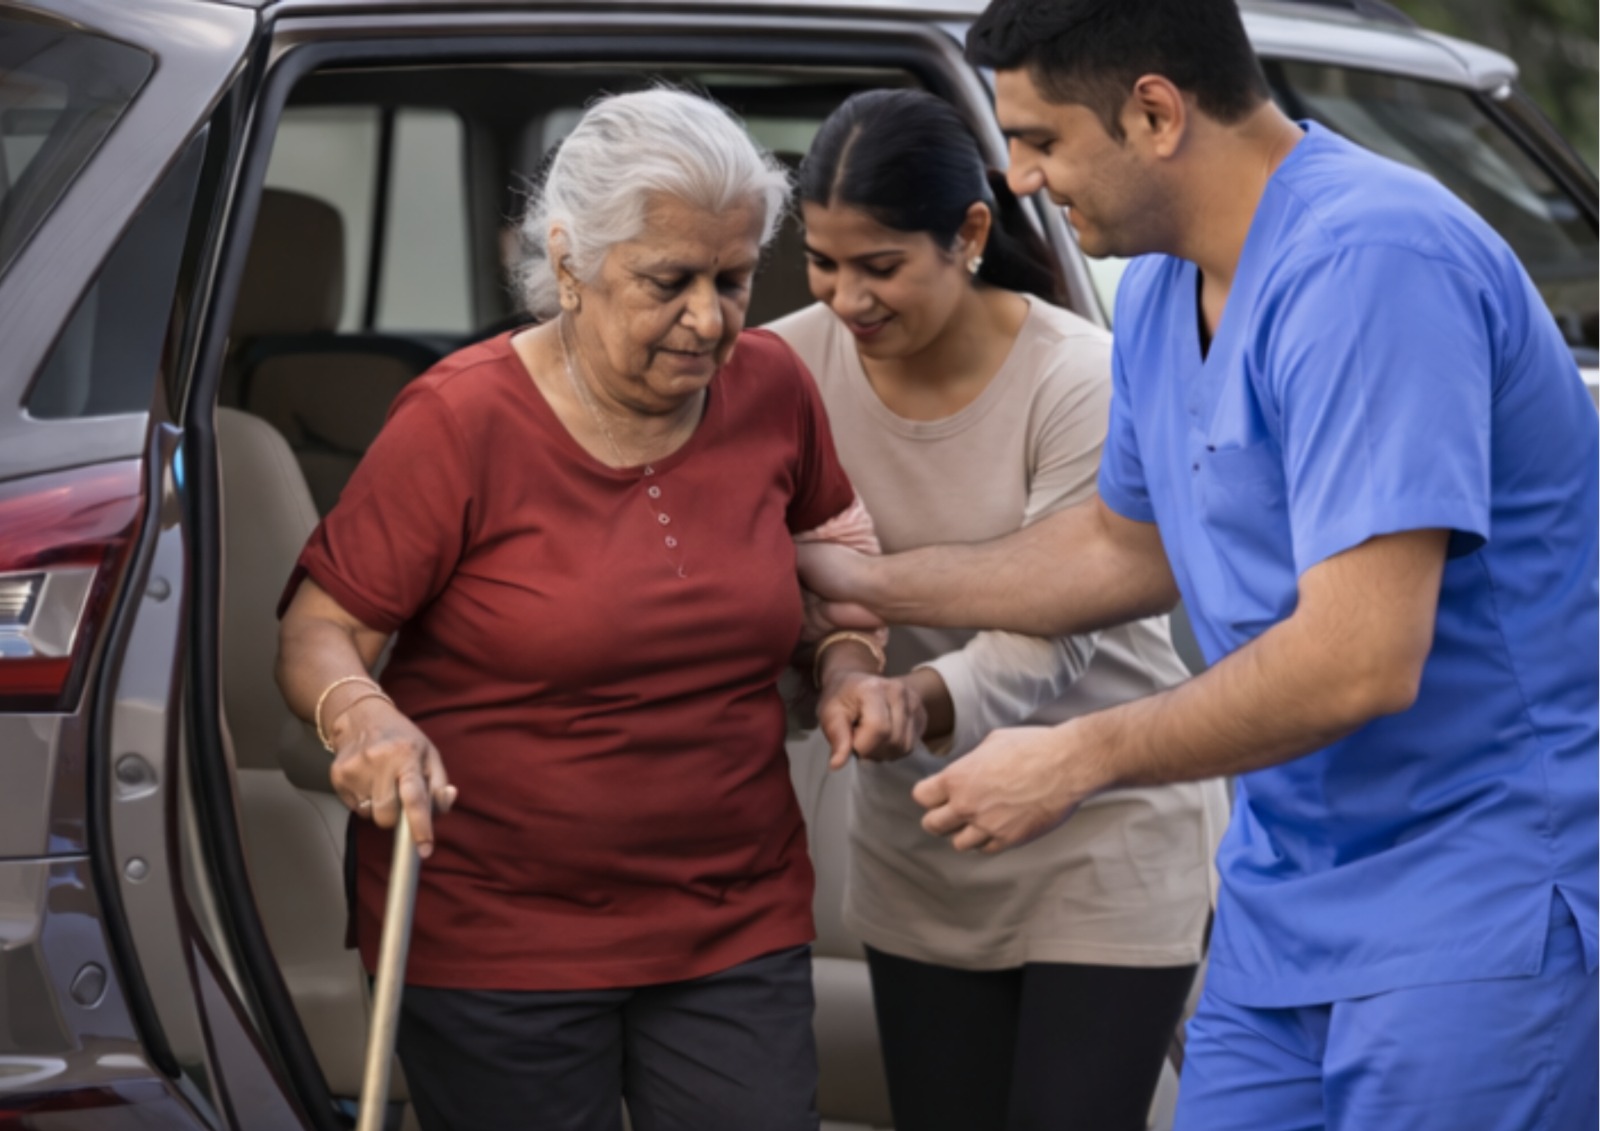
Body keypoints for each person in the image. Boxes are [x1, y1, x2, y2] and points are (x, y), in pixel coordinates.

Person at [797, 3, 1600, 1129]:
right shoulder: (1165, 288)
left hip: (1476, 899)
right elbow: (1121, 545)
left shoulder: (1371, 262)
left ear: (1155, 113)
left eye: (1040, 139)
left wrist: (1077, 757)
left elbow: (1361, 659)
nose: (1020, 178)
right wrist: (860, 582)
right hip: (1286, 901)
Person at [275, 88, 919, 1131]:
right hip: (497, 933)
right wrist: (364, 717)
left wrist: (847, 663)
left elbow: (835, 558)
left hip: (734, 913)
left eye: (733, 279)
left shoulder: (771, 387)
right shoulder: (458, 419)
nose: (708, 319)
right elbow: (320, 628)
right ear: (568, 263)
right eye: (669, 281)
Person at [766, 88, 1226, 1131]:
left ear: (970, 233)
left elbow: (1062, 616)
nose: (847, 297)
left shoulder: (1080, 376)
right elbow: (774, 579)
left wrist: (918, 698)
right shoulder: (783, 369)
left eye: (880, 265)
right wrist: (845, 671)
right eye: (823, 263)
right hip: (921, 831)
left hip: (1102, 827)